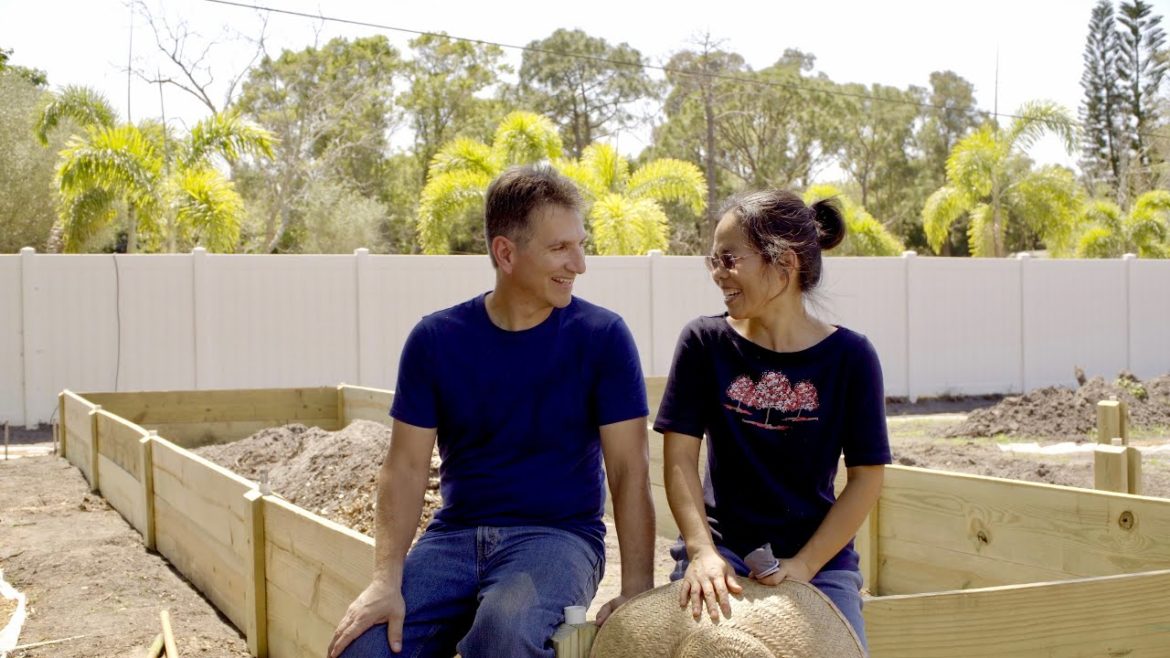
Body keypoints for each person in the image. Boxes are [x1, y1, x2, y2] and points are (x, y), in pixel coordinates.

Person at [327, 164, 655, 658]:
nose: (579, 264)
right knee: (364, 648)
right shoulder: (435, 340)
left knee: (501, 635)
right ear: (506, 252)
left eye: (580, 244)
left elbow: (630, 470)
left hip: (559, 539)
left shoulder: (602, 338)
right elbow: (405, 467)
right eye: (560, 248)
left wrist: (636, 592)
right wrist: (384, 581)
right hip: (453, 538)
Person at [654, 190, 889, 649]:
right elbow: (680, 459)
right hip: (719, 554)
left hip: (820, 563)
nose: (718, 274)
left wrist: (804, 565)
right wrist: (701, 552)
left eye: (729, 259)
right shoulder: (704, 341)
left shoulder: (852, 357)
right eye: (713, 261)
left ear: (784, 262)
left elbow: (866, 479)